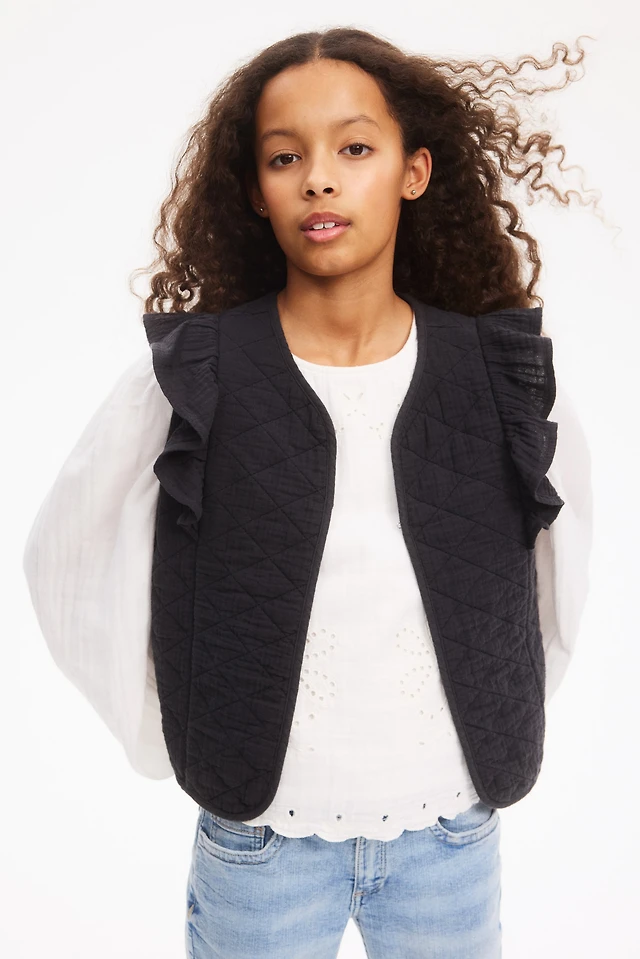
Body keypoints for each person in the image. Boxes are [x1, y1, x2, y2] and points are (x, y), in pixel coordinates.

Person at [22, 26, 594, 959]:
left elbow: (553, 574)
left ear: (414, 171)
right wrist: (175, 733)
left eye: (355, 149)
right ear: (256, 189)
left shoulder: (499, 374)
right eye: (286, 157)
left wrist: (498, 720)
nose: (320, 179)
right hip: (263, 846)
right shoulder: (198, 375)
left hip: (450, 836)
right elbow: (65, 557)